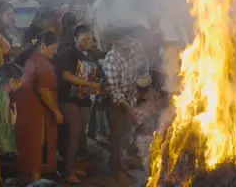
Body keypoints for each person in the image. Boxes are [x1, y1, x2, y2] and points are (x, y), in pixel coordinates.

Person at [14, 30, 62, 184]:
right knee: (37, 149)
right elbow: (44, 91)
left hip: (24, 110)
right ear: (43, 46)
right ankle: (36, 181)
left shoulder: (29, 58)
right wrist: (56, 111)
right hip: (38, 112)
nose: (54, 53)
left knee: (27, 146)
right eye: (53, 49)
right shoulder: (43, 63)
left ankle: (27, 179)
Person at [102, 28, 149, 185]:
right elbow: (115, 93)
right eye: (123, 43)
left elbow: (144, 66)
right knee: (118, 134)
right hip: (114, 101)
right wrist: (131, 110)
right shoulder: (111, 60)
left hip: (132, 94)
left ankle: (116, 160)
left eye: (128, 40)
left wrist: (145, 85)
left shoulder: (136, 46)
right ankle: (119, 171)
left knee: (128, 131)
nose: (127, 45)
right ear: (115, 43)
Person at [56, 25, 102, 183]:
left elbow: (97, 76)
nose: (88, 42)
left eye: (90, 39)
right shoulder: (69, 53)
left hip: (84, 100)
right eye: (84, 39)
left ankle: (73, 165)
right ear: (75, 38)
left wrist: (95, 86)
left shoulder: (91, 55)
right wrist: (87, 84)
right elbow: (66, 75)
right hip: (69, 99)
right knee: (74, 134)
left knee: (80, 134)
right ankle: (68, 171)